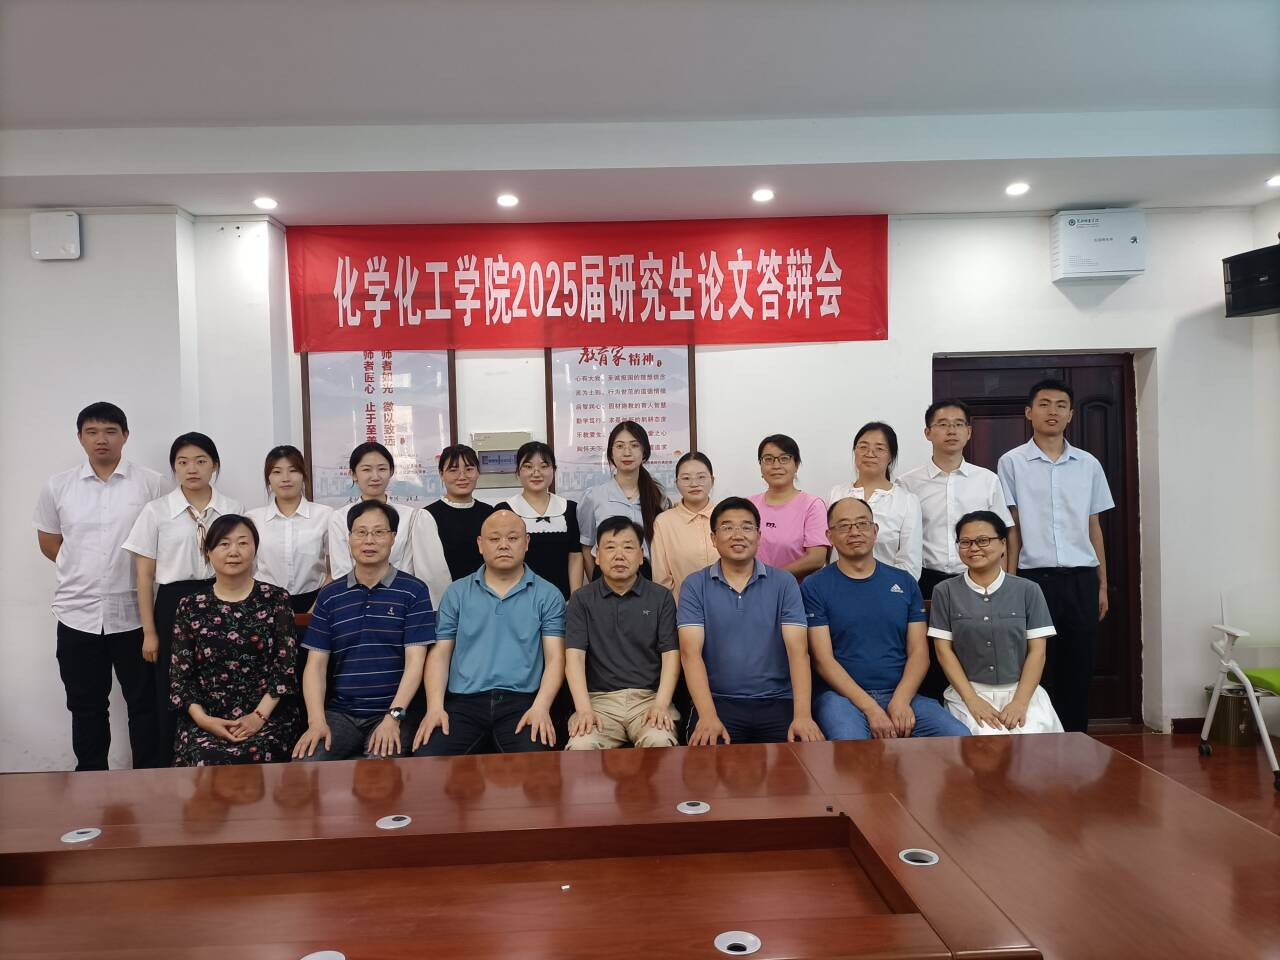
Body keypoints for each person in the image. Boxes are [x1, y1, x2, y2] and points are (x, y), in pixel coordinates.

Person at [34, 402, 168, 770]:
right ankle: (91, 779)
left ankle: (149, 778)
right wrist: (83, 569)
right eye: (92, 432)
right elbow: (50, 542)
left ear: (125, 436)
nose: (101, 439)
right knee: (86, 705)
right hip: (77, 613)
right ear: (80, 438)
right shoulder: (58, 486)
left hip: (136, 615)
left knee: (144, 704)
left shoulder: (152, 483)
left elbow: (167, 539)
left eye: (110, 431)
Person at [996, 379, 1114, 733]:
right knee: (1036, 667)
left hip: (1081, 578)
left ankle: (1076, 741)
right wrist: (1010, 584)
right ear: (1029, 412)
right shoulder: (1012, 462)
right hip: (1035, 580)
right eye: (1044, 404)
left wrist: (1102, 584)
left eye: (1061, 405)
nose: (1053, 411)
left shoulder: (1088, 464)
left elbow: (1094, 526)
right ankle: (1039, 743)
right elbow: (1012, 528)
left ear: (1071, 414)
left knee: (1079, 666)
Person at [123, 431, 244, 767]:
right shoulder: (156, 511)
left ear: (214, 465)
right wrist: (149, 632)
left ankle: (218, 755)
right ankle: (170, 762)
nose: (192, 468)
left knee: (220, 680)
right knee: (171, 685)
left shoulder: (232, 508)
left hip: (222, 597)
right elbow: (144, 576)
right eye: (183, 462)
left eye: (201, 461)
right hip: (172, 605)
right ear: (174, 467)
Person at [802, 497, 969, 740]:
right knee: (851, 745)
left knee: (957, 737)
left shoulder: (904, 582)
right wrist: (871, 709)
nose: (854, 532)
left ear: (875, 530)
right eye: (844, 526)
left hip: (901, 694)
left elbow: (919, 654)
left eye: (862, 523)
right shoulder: (815, 586)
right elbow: (823, 660)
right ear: (830, 536)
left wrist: (901, 701)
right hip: (841, 698)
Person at [413, 509, 567, 756]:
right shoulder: (457, 593)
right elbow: (440, 654)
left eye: (513, 538)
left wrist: (541, 707)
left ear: (527, 542)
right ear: (480, 544)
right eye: (494, 539)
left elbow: (556, 658)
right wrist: (434, 708)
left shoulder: (548, 594)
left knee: (538, 766)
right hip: (463, 704)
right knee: (427, 758)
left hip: (523, 703)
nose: (503, 545)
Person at [292, 500, 435, 761]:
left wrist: (393, 717)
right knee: (305, 765)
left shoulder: (413, 591)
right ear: (349, 538)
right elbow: (315, 665)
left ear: (393, 537)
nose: (369, 540)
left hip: (394, 712)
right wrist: (316, 721)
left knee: (378, 771)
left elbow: (416, 663)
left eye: (379, 532)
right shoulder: (330, 596)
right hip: (341, 714)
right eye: (361, 532)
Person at [677, 497, 824, 746]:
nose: (738, 535)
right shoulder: (694, 585)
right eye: (727, 527)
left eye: (746, 527)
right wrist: (708, 716)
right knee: (704, 761)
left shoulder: (784, 583)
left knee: (803, 759)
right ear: (713, 538)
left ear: (758, 535)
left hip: (778, 700)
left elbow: (798, 651)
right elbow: (690, 654)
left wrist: (802, 716)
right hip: (718, 701)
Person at [898, 401, 1014, 699]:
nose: (951, 430)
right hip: (926, 580)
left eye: (958, 424)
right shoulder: (907, 483)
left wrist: (1004, 583)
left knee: (974, 653)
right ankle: (933, 721)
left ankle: (971, 717)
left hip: (975, 580)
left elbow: (1002, 534)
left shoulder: (987, 480)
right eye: (943, 424)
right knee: (928, 658)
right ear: (928, 432)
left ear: (969, 432)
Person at [169, 515, 300, 765]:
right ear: (208, 551)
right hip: (206, 718)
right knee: (206, 756)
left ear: (255, 549)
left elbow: (285, 669)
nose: (234, 552)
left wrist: (258, 717)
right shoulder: (190, 606)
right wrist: (205, 721)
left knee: (256, 753)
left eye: (242, 543)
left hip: (267, 715)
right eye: (224, 544)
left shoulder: (276, 599)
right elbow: (180, 678)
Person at [930, 511, 1063, 736]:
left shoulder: (1028, 590)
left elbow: (1037, 652)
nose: (974, 548)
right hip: (969, 693)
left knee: (1033, 740)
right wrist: (972, 700)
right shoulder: (945, 591)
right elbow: (943, 651)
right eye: (965, 542)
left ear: (1003, 544)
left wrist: (1020, 703)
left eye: (983, 540)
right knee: (986, 740)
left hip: (1022, 691)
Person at [564, 517, 680, 750]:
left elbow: (671, 656)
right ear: (597, 556)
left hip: (648, 699)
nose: (619, 555)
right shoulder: (581, 599)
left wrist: (660, 705)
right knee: (581, 746)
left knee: (659, 741)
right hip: (599, 702)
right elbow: (574, 658)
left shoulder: (661, 597)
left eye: (628, 547)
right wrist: (584, 709)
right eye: (610, 547)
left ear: (641, 556)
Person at [326, 441, 451, 608]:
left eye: (382, 469)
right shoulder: (339, 518)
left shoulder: (412, 517)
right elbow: (341, 572)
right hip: (354, 604)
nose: (375, 476)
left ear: (391, 471)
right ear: (353, 474)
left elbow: (428, 572)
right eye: (366, 470)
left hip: (402, 602)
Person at [245, 445, 332, 615]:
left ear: (303, 475)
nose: (285, 478)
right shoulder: (253, 519)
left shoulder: (325, 515)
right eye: (277, 472)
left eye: (293, 470)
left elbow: (333, 571)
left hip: (315, 601)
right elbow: (247, 569)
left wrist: (315, 609)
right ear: (268, 478)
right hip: (263, 603)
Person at [829, 422, 922, 579]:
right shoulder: (837, 493)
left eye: (879, 448)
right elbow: (827, 552)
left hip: (887, 588)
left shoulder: (907, 501)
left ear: (891, 456)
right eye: (863, 447)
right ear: (854, 451)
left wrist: (878, 587)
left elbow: (910, 564)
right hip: (836, 585)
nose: (870, 453)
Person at [577, 420, 668, 581]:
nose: (627, 452)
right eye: (619, 446)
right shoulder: (594, 496)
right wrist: (595, 585)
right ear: (611, 453)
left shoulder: (658, 495)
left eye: (634, 445)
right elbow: (586, 546)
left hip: (648, 578)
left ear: (644, 452)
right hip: (605, 578)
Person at [497, 441, 582, 599]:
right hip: (517, 599)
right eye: (528, 466)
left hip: (562, 600)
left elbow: (575, 556)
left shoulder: (570, 509)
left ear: (554, 470)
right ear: (518, 472)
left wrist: (575, 599)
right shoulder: (504, 510)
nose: (536, 473)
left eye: (544, 466)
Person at [749, 434, 827, 581]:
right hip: (750, 588)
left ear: (796, 465)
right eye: (768, 459)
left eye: (784, 458)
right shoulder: (749, 505)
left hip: (795, 590)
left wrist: (771, 579)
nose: (776, 466)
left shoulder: (812, 505)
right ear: (761, 466)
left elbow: (817, 558)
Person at [651, 451, 718, 603]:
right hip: (682, 609)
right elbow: (661, 579)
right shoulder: (664, 522)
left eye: (701, 477)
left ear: (712, 480)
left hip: (727, 607)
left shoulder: (726, 517)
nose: (694, 484)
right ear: (676, 483)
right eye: (686, 478)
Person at [424, 443, 494, 582]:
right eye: (453, 470)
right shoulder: (427, 516)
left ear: (478, 472)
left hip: (487, 591)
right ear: (441, 474)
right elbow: (429, 572)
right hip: (445, 593)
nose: (462, 476)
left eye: (469, 469)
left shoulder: (489, 513)